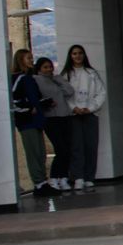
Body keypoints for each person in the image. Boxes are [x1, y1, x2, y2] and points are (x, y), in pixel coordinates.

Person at [62, 44, 106, 191]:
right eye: (74, 53)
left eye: (80, 53)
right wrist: (74, 108)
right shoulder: (66, 75)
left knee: (91, 146)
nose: (77, 56)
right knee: (76, 146)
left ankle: (89, 177)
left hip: (90, 114)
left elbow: (101, 93)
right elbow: (64, 95)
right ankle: (78, 177)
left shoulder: (91, 73)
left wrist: (90, 108)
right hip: (73, 115)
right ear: (70, 56)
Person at [10, 48, 51, 196]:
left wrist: (44, 103)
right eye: (28, 58)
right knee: (33, 153)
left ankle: (43, 182)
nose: (31, 61)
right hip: (26, 122)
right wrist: (28, 109)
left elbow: (35, 98)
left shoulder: (30, 78)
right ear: (21, 60)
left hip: (37, 120)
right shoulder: (17, 78)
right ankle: (39, 183)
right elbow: (13, 101)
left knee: (40, 153)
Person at [34, 57, 75, 192]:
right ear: (39, 69)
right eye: (45, 67)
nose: (49, 70)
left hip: (64, 116)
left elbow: (69, 91)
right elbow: (38, 97)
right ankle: (54, 177)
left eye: (50, 67)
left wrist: (59, 80)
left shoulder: (56, 79)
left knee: (67, 149)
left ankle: (63, 177)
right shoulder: (37, 80)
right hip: (51, 118)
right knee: (60, 148)